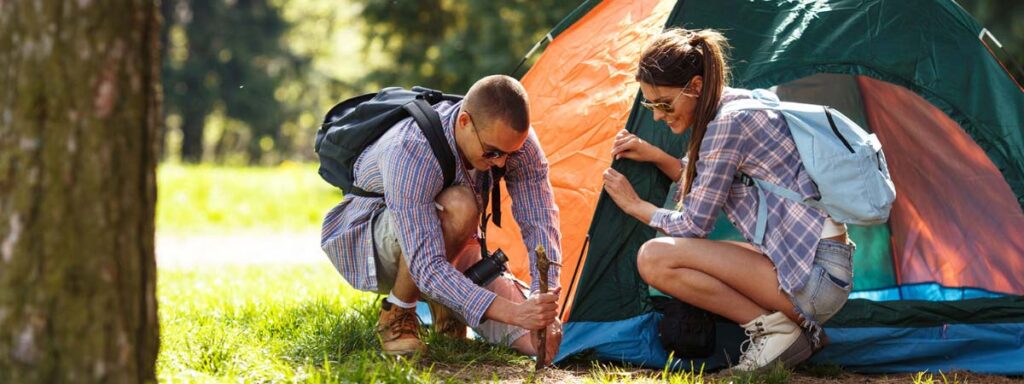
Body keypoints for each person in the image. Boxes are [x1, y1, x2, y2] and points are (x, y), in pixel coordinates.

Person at [602, 29, 855, 371]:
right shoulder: (736, 104)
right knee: (709, 253)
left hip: (816, 278)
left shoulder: (727, 125)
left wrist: (637, 207)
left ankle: (775, 332)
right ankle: (799, 331)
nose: (658, 115)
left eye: (663, 103)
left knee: (654, 258)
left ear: (694, 86)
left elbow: (694, 224)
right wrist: (658, 157)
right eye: (650, 104)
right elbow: (710, 181)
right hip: (822, 266)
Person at [321, 75, 562, 363]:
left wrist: (542, 298)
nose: (501, 163)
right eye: (493, 152)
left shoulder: (514, 145)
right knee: (460, 206)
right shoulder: (410, 148)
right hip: (376, 242)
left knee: (545, 344)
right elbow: (426, 266)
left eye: (509, 154)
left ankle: (446, 305)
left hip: (450, 247)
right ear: (464, 122)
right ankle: (397, 313)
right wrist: (514, 312)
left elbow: (540, 221)